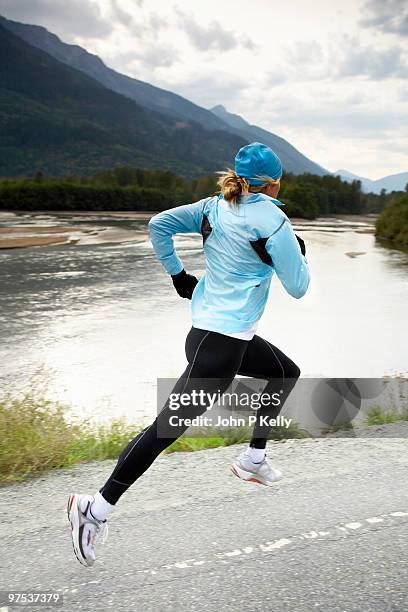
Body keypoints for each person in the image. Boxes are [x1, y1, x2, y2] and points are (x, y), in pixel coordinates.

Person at [67, 141, 310, 567]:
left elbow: (159, 223)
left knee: (284, 371)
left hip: (213, 336)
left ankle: (254, 458)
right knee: (164, 430)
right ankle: (95, 508)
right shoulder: (273, 220)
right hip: (220, 349)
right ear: (274, 183)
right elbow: (299, 286)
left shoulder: (211, 208)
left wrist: (178, 274)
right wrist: (295, 254)